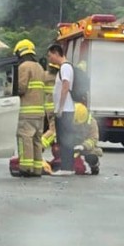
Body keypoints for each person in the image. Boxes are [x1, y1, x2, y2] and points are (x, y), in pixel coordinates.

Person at [12, 39, 46, 178]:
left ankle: (25, 168)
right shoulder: (39, 67)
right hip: (39, 113)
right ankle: (37, 169)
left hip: (27, 111)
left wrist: (9, 87)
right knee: (37, 141)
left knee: (25, 139)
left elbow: (21, 88)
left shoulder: (24, 67)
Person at [45, 44, 76, 175]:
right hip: (65, 109)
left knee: (65, 140)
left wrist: (61, 107)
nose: (49, 58)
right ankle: (66, 167)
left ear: (56, 53)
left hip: (66, 110)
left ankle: (67, 168)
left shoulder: (65, 67)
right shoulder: (64, 67)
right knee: (63, 139)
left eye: (50, 55)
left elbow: (65, 86)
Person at [72, 102, 102, 175]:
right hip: (70, 145)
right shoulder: (68, 119)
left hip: (85, 147)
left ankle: (94, 166)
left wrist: (83, 146)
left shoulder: (92, 122)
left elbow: (93, 139)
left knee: (91, 157)